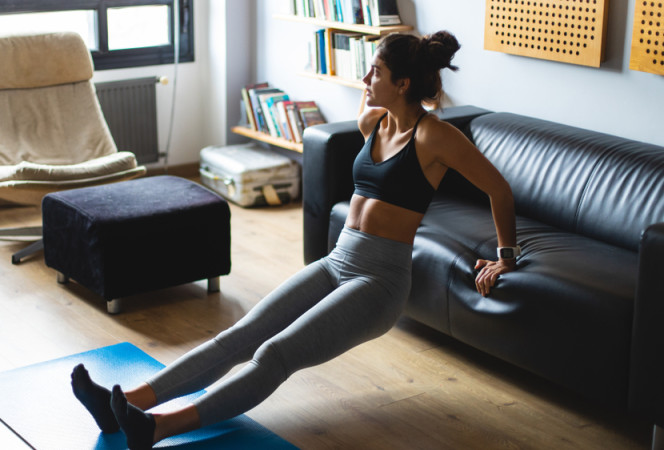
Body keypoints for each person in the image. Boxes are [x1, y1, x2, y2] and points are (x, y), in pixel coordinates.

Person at [71, 30, 518, 450]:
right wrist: (373, 95)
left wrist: (505, 257)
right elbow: (372, 126)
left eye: (376, 73)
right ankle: (129, 403)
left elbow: (498, 188)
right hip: (338, 261)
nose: (366, 79)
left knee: (276, 353)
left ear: (402, 83)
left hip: (379, 282)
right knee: (243, 333)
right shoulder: (374, 122)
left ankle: (159, 427)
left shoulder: (434, 135)